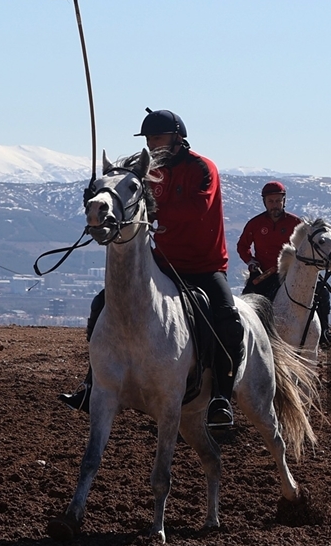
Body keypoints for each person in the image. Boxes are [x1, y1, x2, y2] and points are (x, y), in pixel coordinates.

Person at [60, 109, 244, 430]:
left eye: (157, 138)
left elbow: (199, 207)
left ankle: (221, 398)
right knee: (103, 304)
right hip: (162, 263)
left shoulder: (203, 168)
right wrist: (97, 194)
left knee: (227, 320)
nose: (151, 144)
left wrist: (153, 210)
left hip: (204, 265)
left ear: (177, 137)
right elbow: (123, 191)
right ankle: (91, 383)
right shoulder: (148, 172)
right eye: (148, 139)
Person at [237, 180, 331, 348]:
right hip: (264, 273)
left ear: (284, 201)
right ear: (265, 202)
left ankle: (324, 333)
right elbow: (242, 246)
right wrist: (251, 261)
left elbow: (307, 247)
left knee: (322, 292)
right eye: (271, 201)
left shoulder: (295, 223)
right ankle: (247, 336)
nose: (275, 205)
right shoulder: (255, 224)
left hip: (292, 272)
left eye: (278, 201)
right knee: (248, 298)